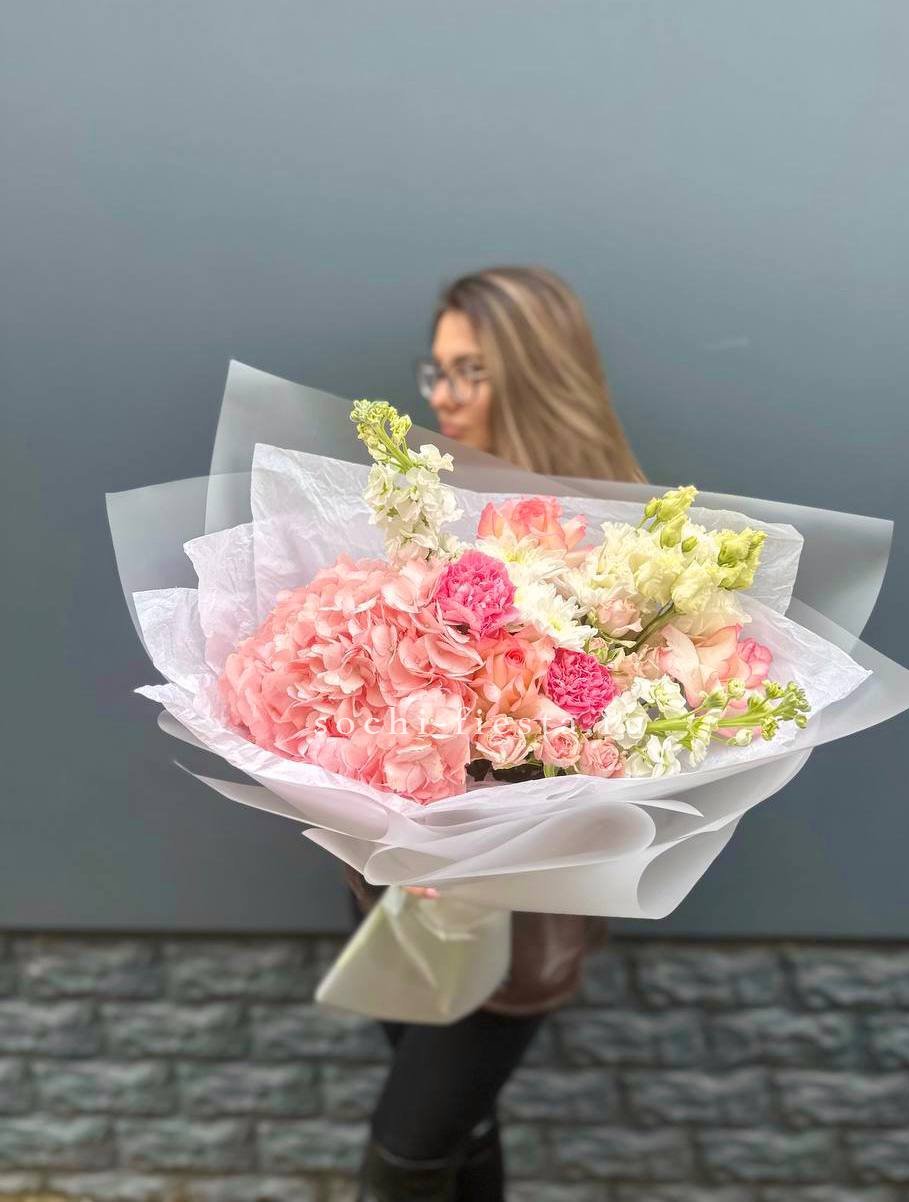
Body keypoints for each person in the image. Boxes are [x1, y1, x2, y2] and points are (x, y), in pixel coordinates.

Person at [346, 265, 647, 1201]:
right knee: (459, 1134)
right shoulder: (430, 514)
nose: (443, 396)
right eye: (436, 370)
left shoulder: (619, 547)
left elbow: (637, 739)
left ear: (533, 370)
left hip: (515, 920)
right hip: (398, 891)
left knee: (405, 1153)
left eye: (468, 371)